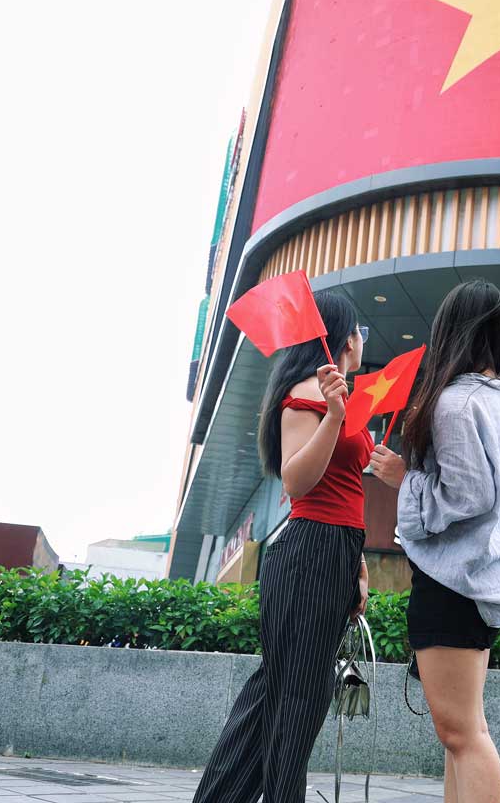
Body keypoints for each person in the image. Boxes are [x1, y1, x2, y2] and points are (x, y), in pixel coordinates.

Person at [193, 289, 371, 803]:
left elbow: (344, 491)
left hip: (331, 550)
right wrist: (335, 417)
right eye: (359, 330)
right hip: (310, 549)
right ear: (342, 337)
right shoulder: (306, 393)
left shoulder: (333, 393)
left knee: (286, 691)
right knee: (298, 695)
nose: (362, 341)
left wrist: (355, 561)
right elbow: (296, 482)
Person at [369, 280, 500, 803]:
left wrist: (403, 479)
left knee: (463, 735)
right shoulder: (498, 400)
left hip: (453, 580)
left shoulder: (455, 404)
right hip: (479, 579)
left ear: (448, 330)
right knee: (462, 734)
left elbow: (469, 494)